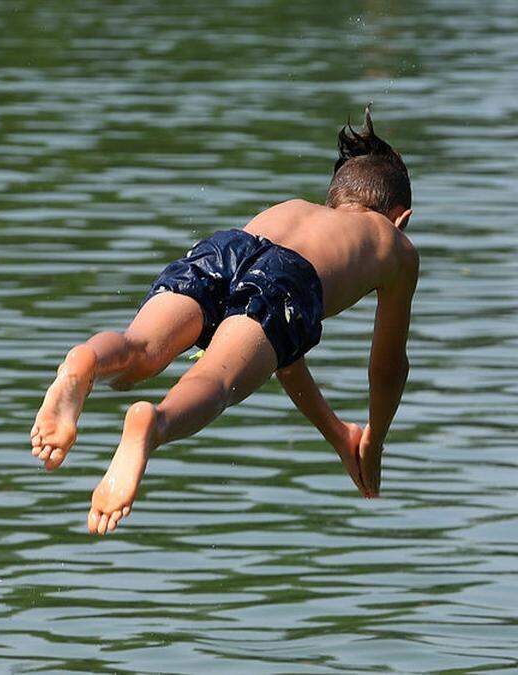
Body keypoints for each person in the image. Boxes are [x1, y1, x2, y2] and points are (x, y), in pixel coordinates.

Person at [29, 107, 417, 535]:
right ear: (401, 217)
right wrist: (374, 439)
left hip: (229, 247)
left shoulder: (292, 210)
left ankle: (83, 363)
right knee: (214, 382)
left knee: (137, 349)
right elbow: (387, 370)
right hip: (288, 280)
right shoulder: (395, 246)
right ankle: (152, 425)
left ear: (335, 198)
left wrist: (338, 433)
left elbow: (283, 357)